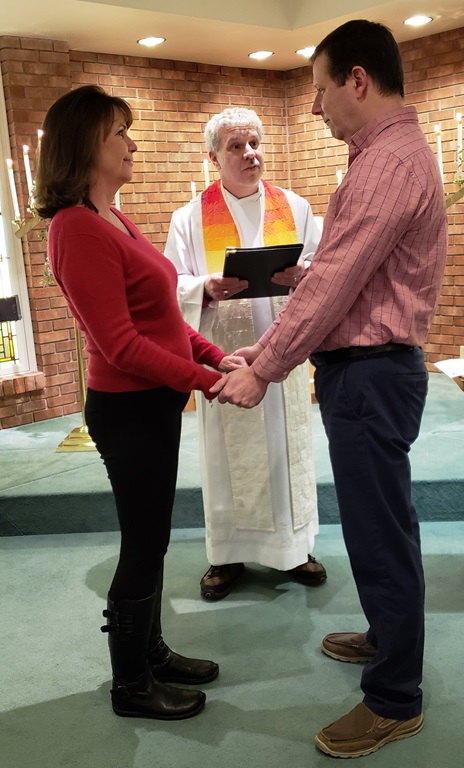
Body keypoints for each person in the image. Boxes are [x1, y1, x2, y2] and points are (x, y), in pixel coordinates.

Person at [212, 20, 448, 759]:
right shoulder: (383, 157)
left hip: (373, 372)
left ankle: (395, 699)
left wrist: (264, 367)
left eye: (319, 89)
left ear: (358, 80)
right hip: (366, 369)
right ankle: (387, 639)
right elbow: (349, 275)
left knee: (380, 532)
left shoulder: (389, 163)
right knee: (377, 526)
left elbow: (341, 284)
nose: (314, 107)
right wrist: (283, 316)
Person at [34, 85, 246, 722]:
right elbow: (121, 345)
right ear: (85, 146)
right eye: (118, 133)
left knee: (153, 538)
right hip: (127, 409)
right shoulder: (75, 228)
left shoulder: (113, 217)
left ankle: (151, 652)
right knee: (142, 543)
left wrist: (214, 357)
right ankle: (130, 684)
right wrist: (206, 381)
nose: (131, 144)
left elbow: (162, 320)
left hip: (155, 403)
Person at [165, 107, 326, 600]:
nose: (250, 153)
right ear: (214, 157)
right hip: (226, 357)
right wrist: (204, 287)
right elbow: (171, 286)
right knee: (226, 456)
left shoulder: (295, 207)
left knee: (287, 448)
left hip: (281, 357)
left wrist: (303, 274)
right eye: (236, 146)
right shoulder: (189, 218)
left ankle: (293, 549)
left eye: (254, 143)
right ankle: (227, 554)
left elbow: (324, 270)